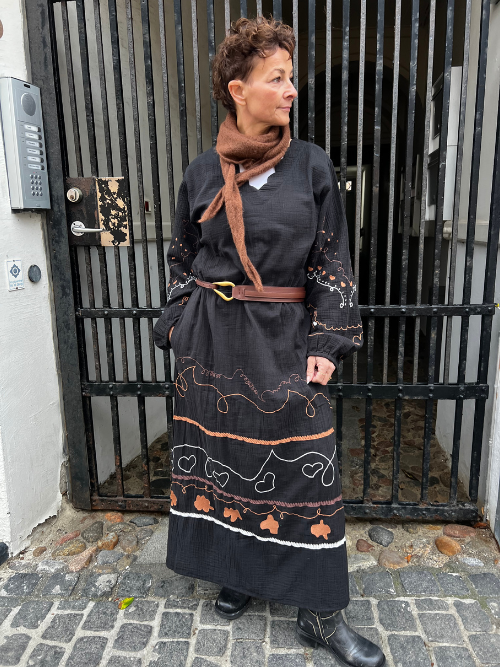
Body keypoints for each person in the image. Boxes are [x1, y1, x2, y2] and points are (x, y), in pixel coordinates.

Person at [153, 15, 384, 667]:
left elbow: (332, 259)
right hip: (213, 343)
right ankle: (239, 573)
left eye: (290, 77)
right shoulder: (203, 172)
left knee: (308, 471)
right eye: (276, 78)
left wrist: (327, 342)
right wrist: (178, 322)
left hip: (287, 339)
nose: (290, 90)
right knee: (226, 458)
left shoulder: (310, 164)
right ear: (238, 90)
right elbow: (182, 255)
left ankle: (321, 614)